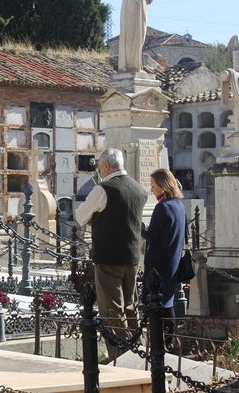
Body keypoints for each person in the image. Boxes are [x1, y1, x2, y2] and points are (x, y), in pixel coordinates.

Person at [75, 148, 147, 361]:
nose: (98, 168)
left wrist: (95, 218)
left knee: (112, 309)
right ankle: (140, 352)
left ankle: (122, 356)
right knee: (131, 306)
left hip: (108, 257)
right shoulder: (138, 188)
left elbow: (80, 216)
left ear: (106, 165)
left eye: (99, 164)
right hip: (133, 258)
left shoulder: (103, 189)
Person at [140, 169, 186, 343]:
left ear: (162, 185)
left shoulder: (163, 207)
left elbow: (152, 236)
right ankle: (170, 341)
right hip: (172, 261)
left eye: (153, 185)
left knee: (157, 304)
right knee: (167, 301)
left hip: (158, 264)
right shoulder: (179, 205)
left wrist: (141, 230)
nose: (152, 189)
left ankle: (161, 343)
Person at [118, 0, 153, 72]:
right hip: (131, 4)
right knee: (131, 34)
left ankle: (135, 64)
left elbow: (149, 1)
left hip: (141, 5)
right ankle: (131, 65)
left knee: (140, 36)